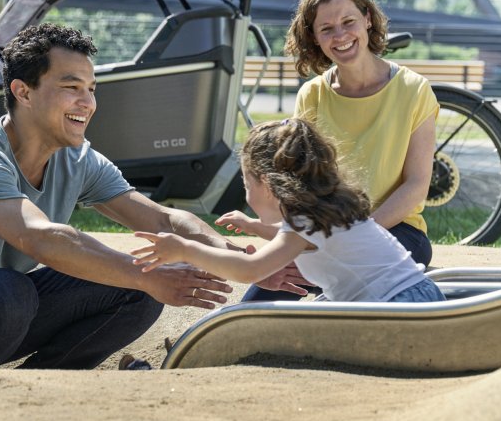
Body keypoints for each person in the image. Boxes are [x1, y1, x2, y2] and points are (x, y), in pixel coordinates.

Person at [0, 23, 306, 369]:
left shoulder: (77, 158)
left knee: (143, 281)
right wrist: (140, 274)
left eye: (91, 89)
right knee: (11, 293)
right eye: (71, 87)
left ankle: (37, 388)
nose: (88, 102)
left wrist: (243, 261)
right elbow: (41, 238)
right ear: (23, 92)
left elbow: (165, 221)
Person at [218, 0, 438, 302]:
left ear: (367, 18)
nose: (340, 35)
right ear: (314, 38)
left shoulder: (414, 89)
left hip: (398, 232)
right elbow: (302, 186)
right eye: (326, 29)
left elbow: (416, 185)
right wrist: (300, 242)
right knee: (262, 299)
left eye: (348, 21)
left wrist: (353, 239)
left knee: (337, 299)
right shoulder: (313, 95)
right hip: (327, 231)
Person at [132, 118, 445, 304]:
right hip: (421, 299)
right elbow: (307, 241)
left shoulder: (303, 223)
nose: (246, 192)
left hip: (398, 309)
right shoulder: (327, 211)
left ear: (267, 185)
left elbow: (251, 270)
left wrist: (186, 249)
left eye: (246, 182)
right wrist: (255, 226)